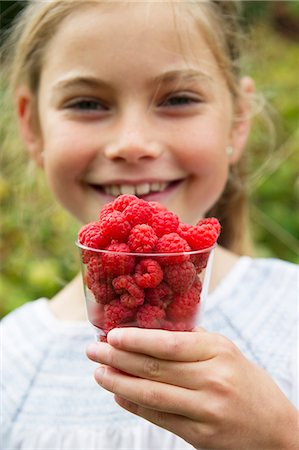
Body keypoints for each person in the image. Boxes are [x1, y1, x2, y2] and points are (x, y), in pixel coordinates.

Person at [1, 1, 298, 449]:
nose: (132, 144)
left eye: (178, 99)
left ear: (237, 122)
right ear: (33, 127)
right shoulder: (11, 368)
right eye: (87, 103)